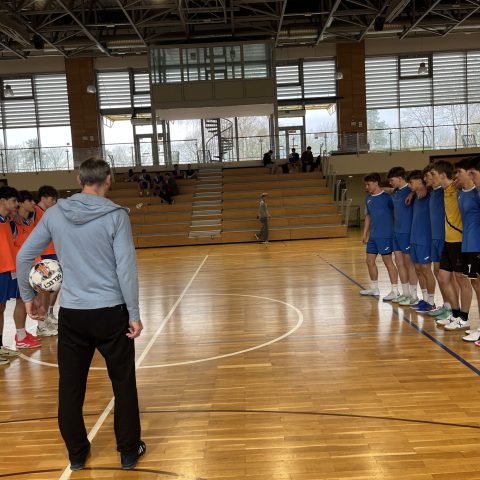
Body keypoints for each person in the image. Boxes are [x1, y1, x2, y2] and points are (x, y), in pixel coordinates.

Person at [16, 158, 146, 471]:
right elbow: (126, 268)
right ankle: (128, 452)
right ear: (109, 179)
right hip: (111, 312)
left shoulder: (54, 213)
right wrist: (134, 312)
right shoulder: (116, 215)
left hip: (73, 315)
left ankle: (77, 454)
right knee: (123, 383)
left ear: (79, 179)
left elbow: (23, 256)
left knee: (71, 387)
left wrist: (29, 297)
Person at [430, 160, 472, 331]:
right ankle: (455, 314)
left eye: (433, 174)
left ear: (442, 175)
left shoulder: (457, 189)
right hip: (448, 241)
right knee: (443, 278)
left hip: (459, 241)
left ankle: (465, 318)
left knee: (462, 280)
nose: (430, 178)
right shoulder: (445, 190)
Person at [0, 187, 33, 366]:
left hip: (7, 269)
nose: (16, 205)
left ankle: (0, 345)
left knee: (1, 307)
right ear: (3, 201)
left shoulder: (8, 221)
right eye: (13, 201)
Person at [360, 173, 399, 301]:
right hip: (373, 236)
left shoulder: (387, 197)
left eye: (368, 184)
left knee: (388, 262)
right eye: (365, 184)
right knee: (369, 261)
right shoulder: (368, 198)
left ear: (376, 183)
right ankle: (374, 288)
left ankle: (395, 291)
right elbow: (368, 216)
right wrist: (365, 233)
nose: (366, 187)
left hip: (386, 235)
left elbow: (396, 213)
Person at [454, 159, 480, 340]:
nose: (470, 176)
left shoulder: (477, 194)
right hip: (468, 244)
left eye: (472, 173)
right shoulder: (462, 193)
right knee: (476, 284)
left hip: (476, 244)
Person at [386, 167, 418, 305]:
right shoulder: (396, 191)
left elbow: (424, 187)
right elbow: (389, 190)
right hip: (396, 232)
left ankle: (414, 296)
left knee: (409, 264)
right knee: (399, 263)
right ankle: (405, 293)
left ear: (400, 178)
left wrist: (413, 192)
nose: (391, 183)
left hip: (407, 232)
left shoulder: (412, 190)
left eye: (392, 180)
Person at [406, 170, 436, 313]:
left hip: (425, 238)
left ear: (420, 181)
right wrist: (412, 192)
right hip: (414, 238)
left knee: (426, 269)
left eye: (411, 182)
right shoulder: (416, 195)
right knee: (418, 269)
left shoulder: (429, 193)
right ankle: (425, 299)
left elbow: (435, 186)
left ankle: (431, 302)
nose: (409, 185)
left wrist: (425, 187)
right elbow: (393, 189)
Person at [33, 185, 59, 336]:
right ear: (43, 198)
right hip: (42, 255)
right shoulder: (35, 211)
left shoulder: (48, 212)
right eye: (51, 199)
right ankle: (41, 324)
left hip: (52, 252)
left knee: (52, 287)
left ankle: (47, 316)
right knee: (42, 290)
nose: (54, 202)